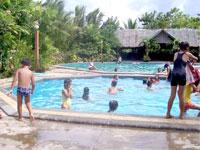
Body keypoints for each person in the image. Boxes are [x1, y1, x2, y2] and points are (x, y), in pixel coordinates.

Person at [166, 42, 198, 119]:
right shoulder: (187, 54)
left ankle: (168, 114)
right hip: (182, 74)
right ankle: (181, 115)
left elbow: (177, 61)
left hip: (174, 74)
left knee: (172, 95)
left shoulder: (175, 54)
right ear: (186, 48)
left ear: (179, 47)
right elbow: (196, 58)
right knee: (181, 96)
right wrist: (191, 61)